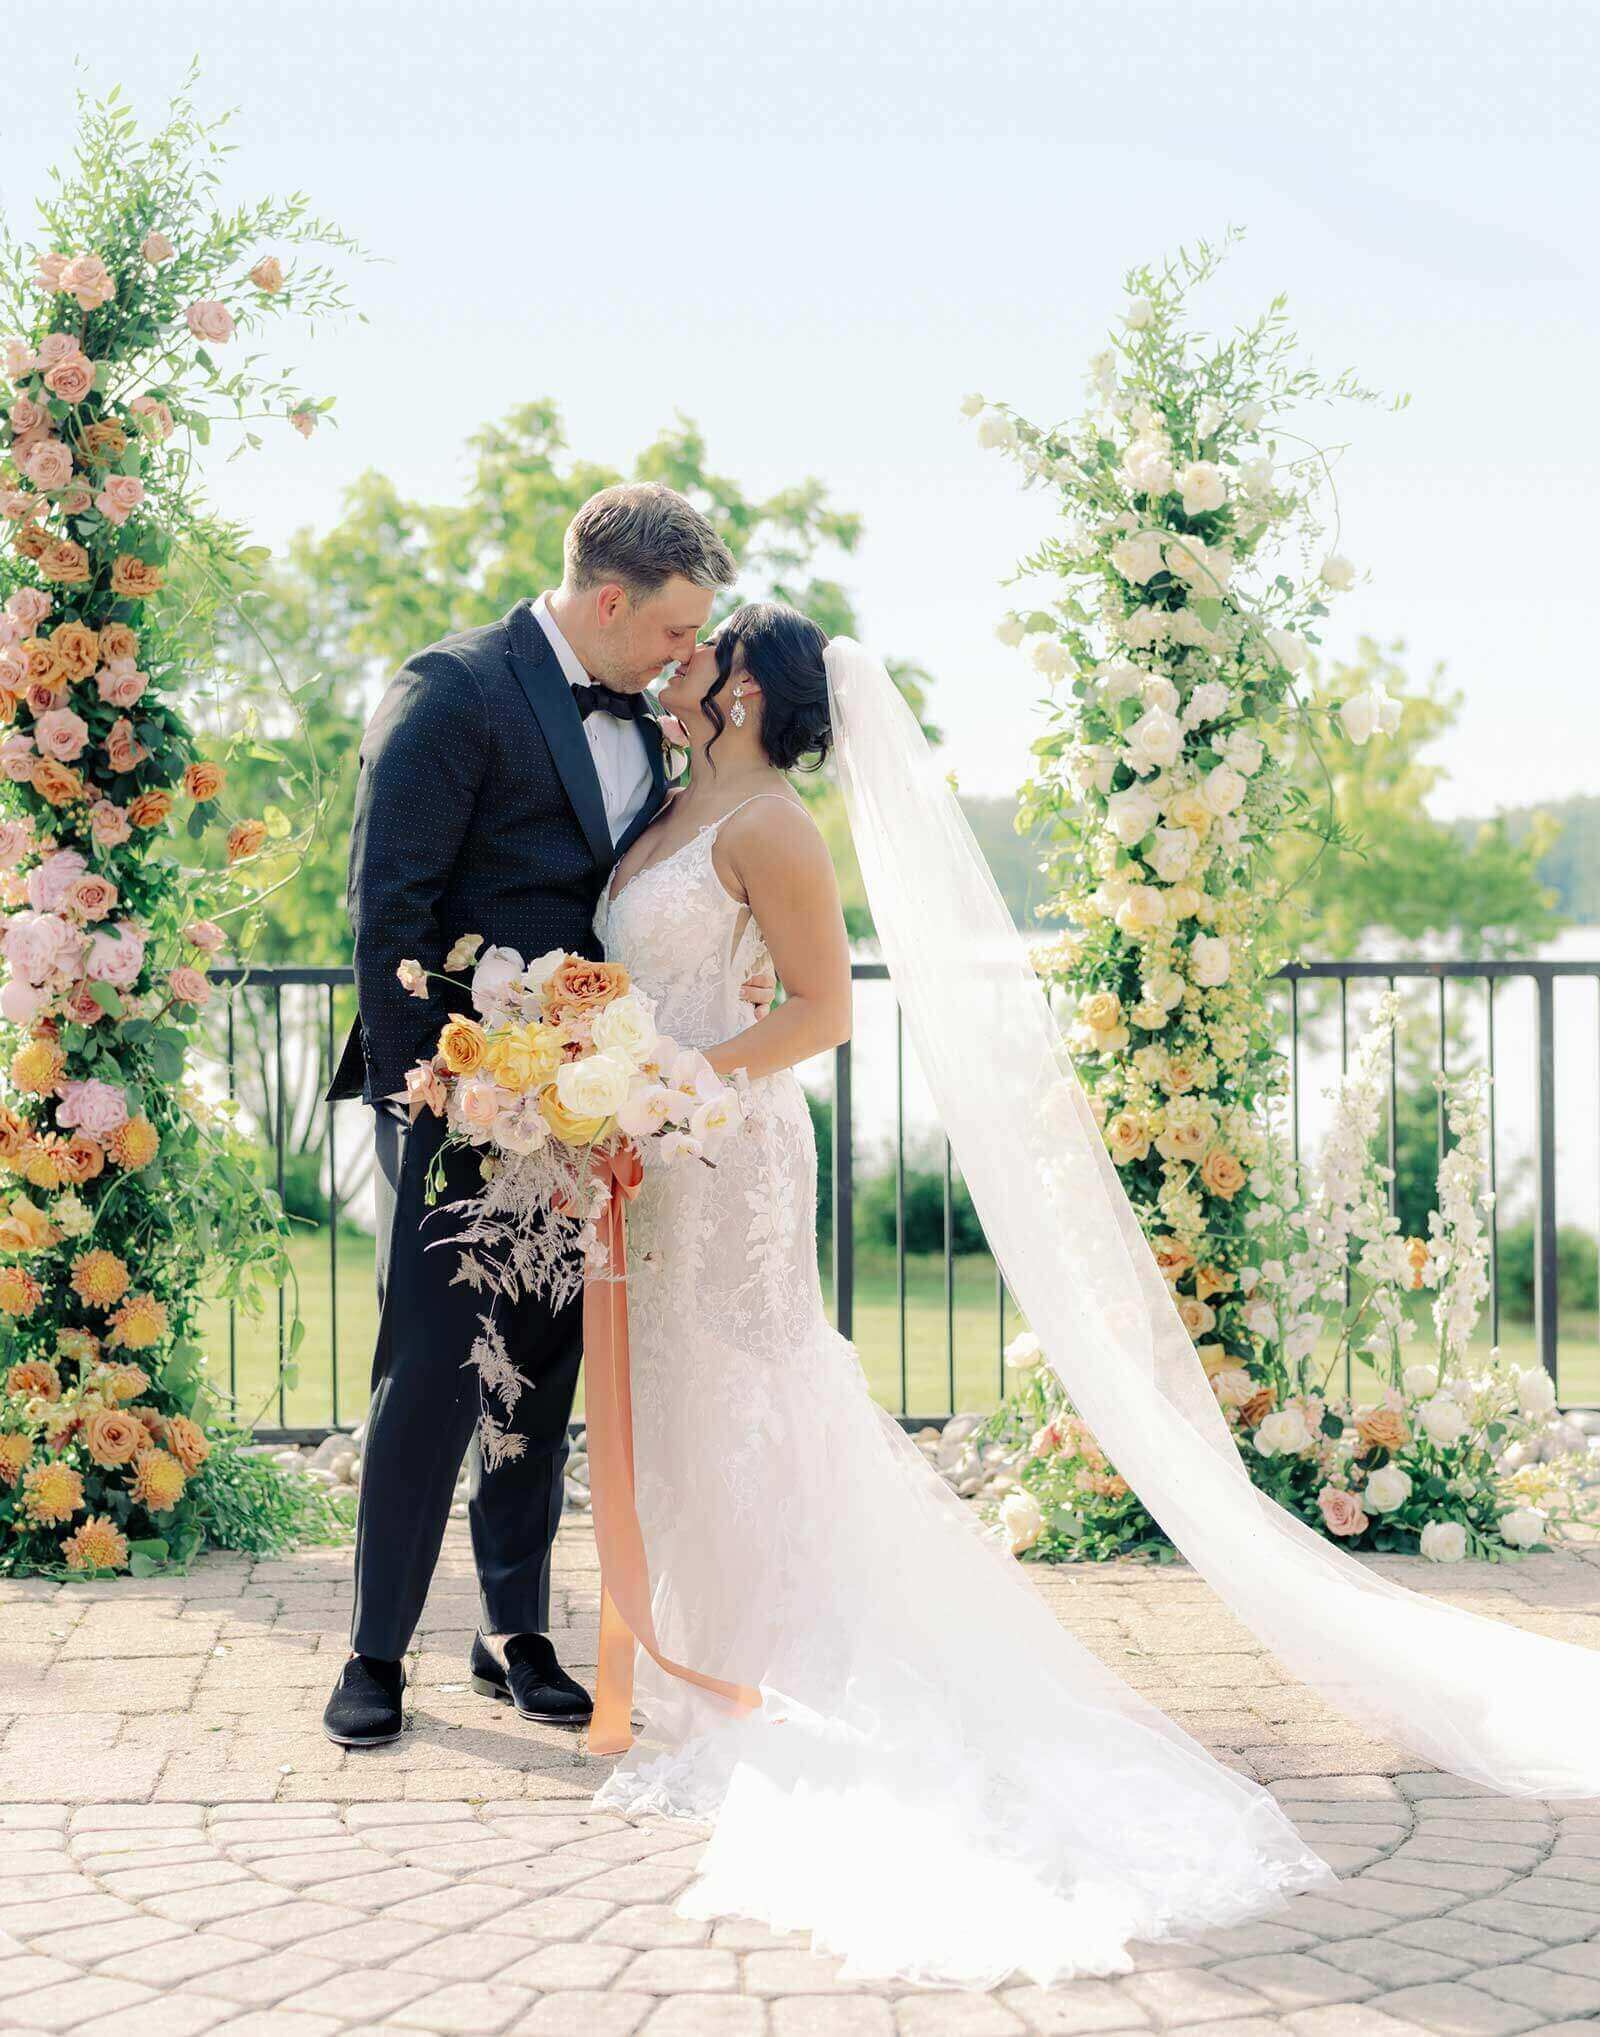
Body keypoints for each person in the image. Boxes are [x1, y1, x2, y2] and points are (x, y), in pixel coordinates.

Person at [589, 604, 1332, 1985]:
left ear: (748, 688)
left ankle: (775, 1667)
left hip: (727, 1143)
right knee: (676, 1400)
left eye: (708, 649)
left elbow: (822, 1012)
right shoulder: (674, 804)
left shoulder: (774, 828)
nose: (682, 661)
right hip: (650, 1155)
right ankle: (705, 1661)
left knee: (755, 1388)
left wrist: (677, 1086)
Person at [320, 485, 778, 1748]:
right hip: (461, 1096)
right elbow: (387, 914)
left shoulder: (655, 718)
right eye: (676, 629)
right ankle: (372, 1650)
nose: (688, 656)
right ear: (614, 599)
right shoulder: (454, 688)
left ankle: (512, 1632)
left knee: (542, 1374)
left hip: (591, 1109)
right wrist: (434, 1094)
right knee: (429, 1375)